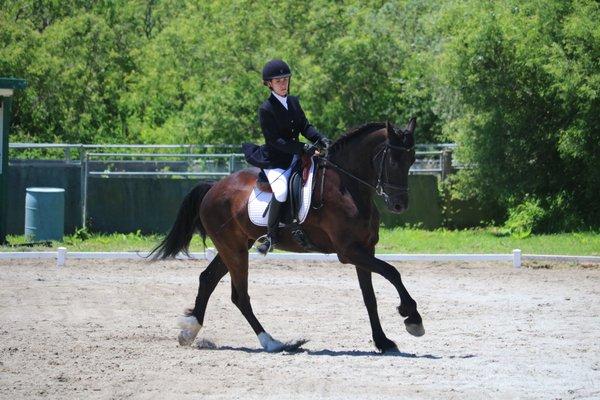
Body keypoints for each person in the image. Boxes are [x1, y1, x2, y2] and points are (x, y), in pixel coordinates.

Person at [242, 59, 332, 255]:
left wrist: (321, 139)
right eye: (278, 81)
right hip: (276, 161)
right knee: (281, 191)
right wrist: (303, 148)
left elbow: (305, 126)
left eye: (285, 79)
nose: (283, 84)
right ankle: (271, 237)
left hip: (296, 156)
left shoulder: (293, 101)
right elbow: (275, 141)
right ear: (269, 84)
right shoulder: (266, 108)